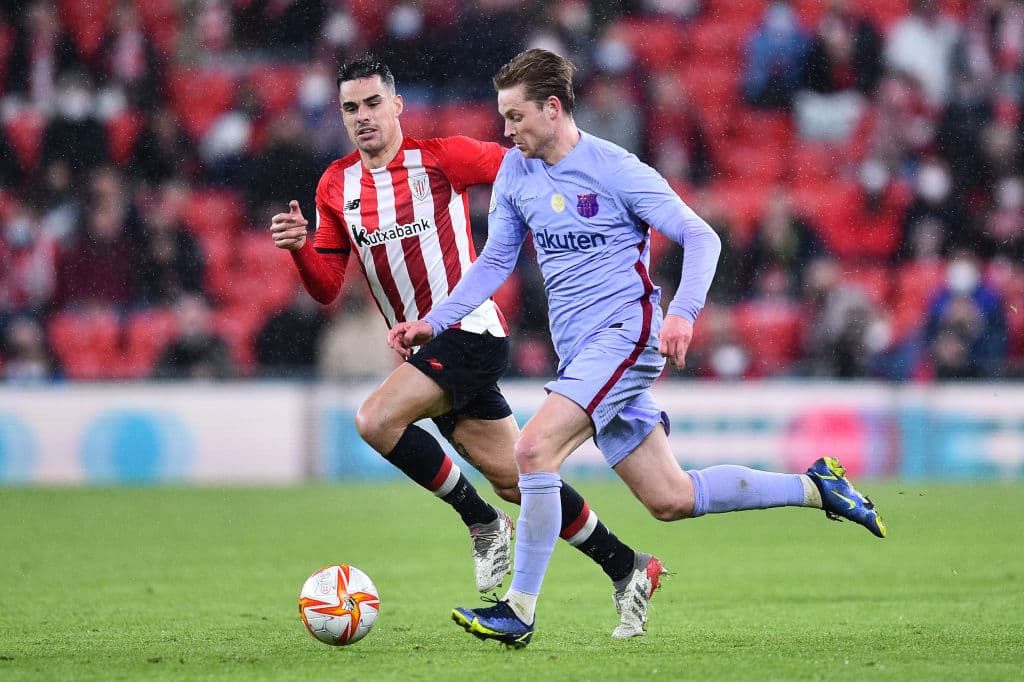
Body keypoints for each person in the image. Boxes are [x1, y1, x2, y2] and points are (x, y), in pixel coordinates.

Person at [389, 48, 888, 650]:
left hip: (626, 336)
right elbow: (496, 258)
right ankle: (816, 487)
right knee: (670, 498)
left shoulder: (617, 169)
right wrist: (436, 321)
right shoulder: (517, 175)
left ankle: (517, 610)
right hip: (581, 354)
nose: (506, 130)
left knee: (533, 449)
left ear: (553, 108)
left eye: (516, 117)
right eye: (503, 117)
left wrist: (682, 314)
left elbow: (701, 238)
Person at [269, 56, 655, 638]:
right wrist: (301, 248)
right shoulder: (336, 185)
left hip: (469, 331)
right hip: (426, 352)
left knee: (374, 420)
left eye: (373, 103)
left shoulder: (442, 157)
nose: (363, 117)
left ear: (397, 105)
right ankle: (628, 566)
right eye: (351, 107)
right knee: (517, 477)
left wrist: (585, 215)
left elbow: (530, 160)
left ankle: (480, 524)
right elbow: (325, 287)